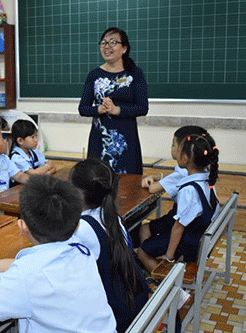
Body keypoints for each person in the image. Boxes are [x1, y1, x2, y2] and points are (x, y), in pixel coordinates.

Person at [0, 175, 117, 333]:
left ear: (22, 226)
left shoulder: (28, 275)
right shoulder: (80, 250)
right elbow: (24, 266)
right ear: (76, 224)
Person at [71, 158, 149, 333]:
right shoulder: (112, 216)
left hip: (117, 318)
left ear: (77, 193)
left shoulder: (84, 229)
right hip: (134, 303)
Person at [138, 133, 219, 272]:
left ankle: (166, 285)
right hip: (196, 235)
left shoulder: (189, 190)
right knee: (148, 235)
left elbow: (178, 227)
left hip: (188, 242)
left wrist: (169, 256)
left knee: (141, 252)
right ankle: (155, 268)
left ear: (185, 159)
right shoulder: (207, 180)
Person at [78, 27, 148, 174]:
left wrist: (117, 110)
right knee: (99, 183)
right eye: (103, 43)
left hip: (126, 142)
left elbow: (143, 108)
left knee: (127, 188)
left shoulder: (135, 74)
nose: (106, 46)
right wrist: (98, 109)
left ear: (124, 48)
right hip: (100, 141)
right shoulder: (94, 75)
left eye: (112, 42)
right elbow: (82, 108)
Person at [141, 126, 209, 195]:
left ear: (183, 150)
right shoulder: (200, 168)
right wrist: (157, 177)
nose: (171, 147)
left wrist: (148, 182)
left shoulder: (182, 173)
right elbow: (173, 178)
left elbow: (153, 189)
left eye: (173, 145)